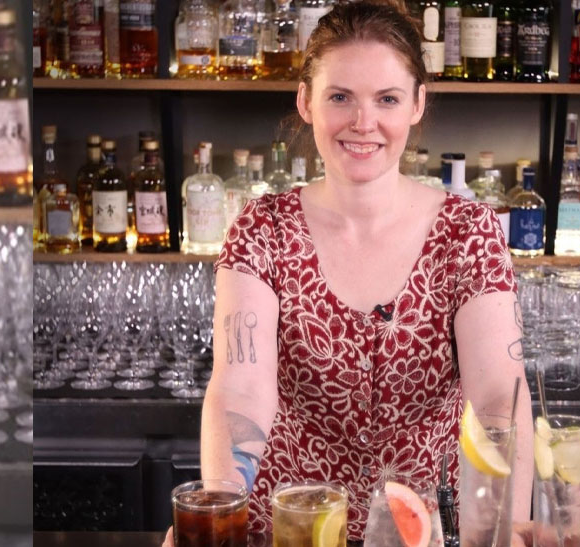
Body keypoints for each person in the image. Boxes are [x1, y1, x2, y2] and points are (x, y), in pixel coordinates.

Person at [163, 0, 530, 543]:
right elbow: (240, 390)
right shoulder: (262, 228)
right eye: (340, 97)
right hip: (288, 530)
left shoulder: (468, 232)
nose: (364, 123)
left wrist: (512, 529)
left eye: (386, 98)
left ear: (416, 105)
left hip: (421, 533)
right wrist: (220, 517)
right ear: (306, 102)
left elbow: (500, 396)